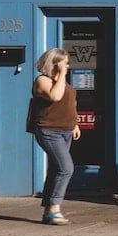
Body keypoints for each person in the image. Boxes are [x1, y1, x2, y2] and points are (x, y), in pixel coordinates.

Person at [28, 47, 81, 225]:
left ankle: (47, 211)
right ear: (54, 63)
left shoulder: (62, 82)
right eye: (65, 63)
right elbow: (56, 96)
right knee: (66, 168)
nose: (68, 66)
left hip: (65, 130)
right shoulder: (41, 81)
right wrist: (62, 73)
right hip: (48, 130)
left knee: (56, 169)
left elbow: (67, 104)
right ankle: (54, 209)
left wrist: (74, 124)